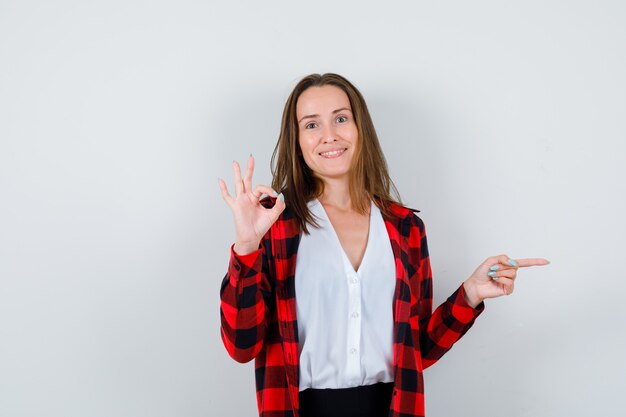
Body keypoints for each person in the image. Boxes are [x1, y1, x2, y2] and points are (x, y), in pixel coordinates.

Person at [218, 73, 549, 417]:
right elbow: (242, 346)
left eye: (341, 119)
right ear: (297, 140)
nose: (329, 135)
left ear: (361, 129)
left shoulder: (406, 229)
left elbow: (417, 349)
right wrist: (246, 245)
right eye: (312, 125)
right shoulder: (276, 228)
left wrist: (470, 295)